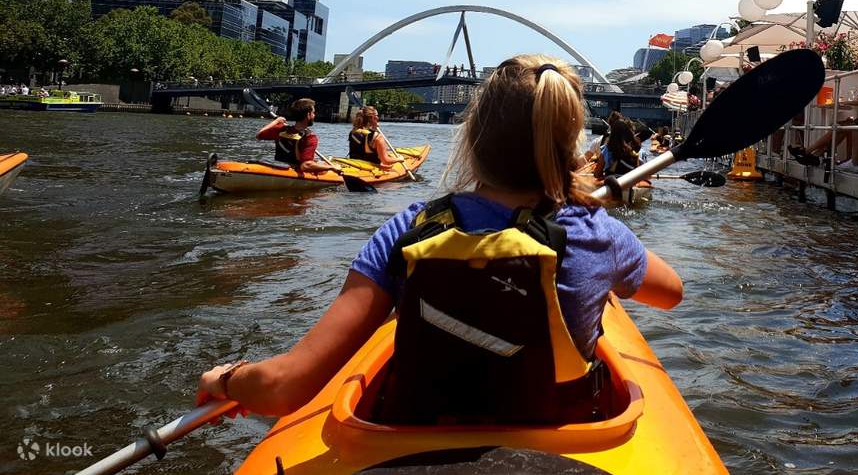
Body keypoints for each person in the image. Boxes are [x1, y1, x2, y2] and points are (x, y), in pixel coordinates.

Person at [196, 56, 683, 420]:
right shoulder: (597, 232)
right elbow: (671, 294)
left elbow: (285, 387)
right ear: (569, 141)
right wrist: (605, 267)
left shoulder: (410, 227)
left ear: (472, 138)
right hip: (562, 434)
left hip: (412, 438)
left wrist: (228, 379)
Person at [256, 98, 338, 173]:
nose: (314, 115)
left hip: (278, 165)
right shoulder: (309, 137)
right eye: (313, 113)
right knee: (324, 169)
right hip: (294, 171)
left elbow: (259, 135)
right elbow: (305, 166)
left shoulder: (281, 129)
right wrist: (331, 168)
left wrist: (276, 121)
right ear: (308, 115)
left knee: (319, 163)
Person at [594, 114, 641, 180]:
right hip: (628, 183)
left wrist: (600, 174)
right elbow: (637, 174)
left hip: (612, 183)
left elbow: (597, 174)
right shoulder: (633, 151)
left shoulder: (607, 149)